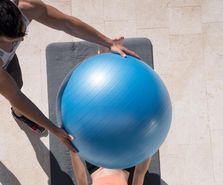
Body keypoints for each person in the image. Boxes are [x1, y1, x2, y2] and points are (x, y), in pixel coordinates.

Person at [0, 0, 140, 151]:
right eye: (12, 40)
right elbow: (15, 96)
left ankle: (19, 114)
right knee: (12, 91)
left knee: (17, 85)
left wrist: (108, 42)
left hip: (6, 61)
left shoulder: (25, 7)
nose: (21, 40)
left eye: (22, 34)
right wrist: (54, 129)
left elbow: (67, 24)